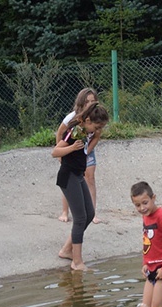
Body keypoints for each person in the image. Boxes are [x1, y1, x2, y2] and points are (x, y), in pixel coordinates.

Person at [52, 101, 109, 271]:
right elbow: (55, 152)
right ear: (88, 121)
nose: (97, 130)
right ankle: (77, 262)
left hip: (77, 175)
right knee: (80, 218)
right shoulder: (74, 132)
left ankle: (67, 250)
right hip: (68, 176)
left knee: (89, 213)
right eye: (96, 126)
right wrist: (72, 148)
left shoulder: (84, 131)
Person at [57, 88, 103, 224]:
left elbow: (97, 136)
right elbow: (60, 133)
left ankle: (92, 213)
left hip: (86, 149)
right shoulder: (72, 117)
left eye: (93, 101)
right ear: (81, 102)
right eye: (87, 101)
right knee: (70, 179)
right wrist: (61, 153)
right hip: (70, 150)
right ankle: (65, 211)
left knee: (90, 178)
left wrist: (87, 151)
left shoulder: (97, 118)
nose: (90, 104)